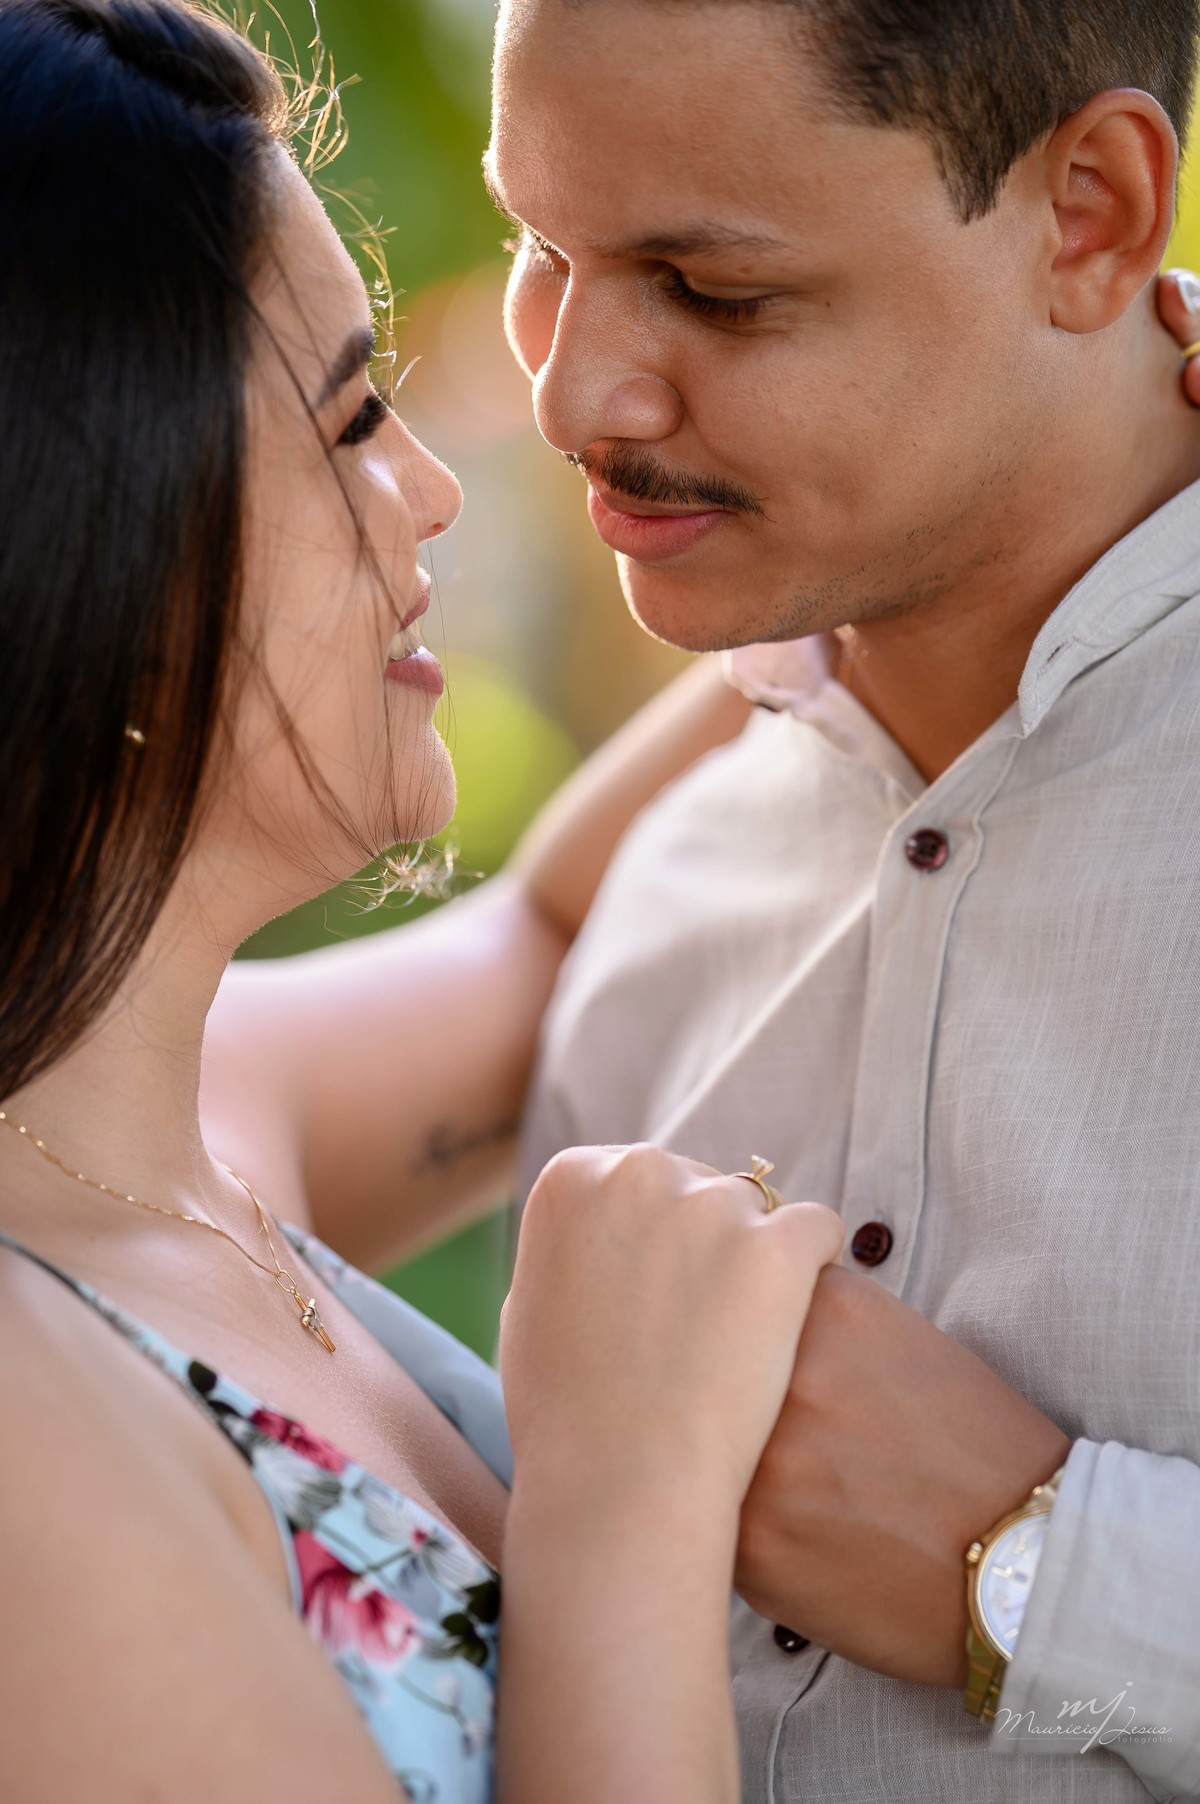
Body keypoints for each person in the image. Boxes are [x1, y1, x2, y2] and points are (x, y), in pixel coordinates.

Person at [202, 0, 1200, 1798]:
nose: (571, 394)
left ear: (1092, 213)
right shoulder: (665, 850)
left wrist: (1039, 1567)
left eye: (715, 291)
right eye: (541, 245)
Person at [0, 4, 847, 1801]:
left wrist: (976, 492)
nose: (435, 490)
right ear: (91, 516)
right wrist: (624, 1503)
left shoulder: (172, 1119)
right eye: (353, 417)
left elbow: (554, 941)